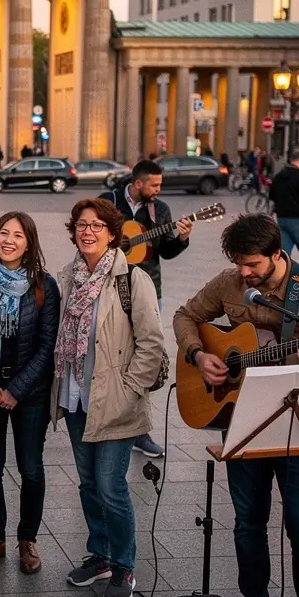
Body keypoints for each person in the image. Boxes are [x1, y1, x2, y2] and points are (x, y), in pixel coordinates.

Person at [173, 214, 299, 597]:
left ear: (278, 255)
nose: (244, 273)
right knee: (248, 521)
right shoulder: (229, 283)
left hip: (294, 422)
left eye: (252, 265)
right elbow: (186, 314)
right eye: (239, 264)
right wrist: (198, 353)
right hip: (241, 419)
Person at [53, 197, 164, 597]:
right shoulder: (68, 277)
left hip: (115, 400)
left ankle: (123, 564)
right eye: (81, 224)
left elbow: (151, 344)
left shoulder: (131, 280)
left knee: (111, 486)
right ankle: (99, 555)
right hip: (76, 395)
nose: (87, 231)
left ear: (113, 233)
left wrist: (129, 388)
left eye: (97, 225)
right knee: (87, 483)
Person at [0, 212, 60, 573]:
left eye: (17, 236)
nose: (8, 240)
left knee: (32, 468)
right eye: (3, 233)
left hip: (30, 393)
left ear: (29, 243)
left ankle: (28, 539)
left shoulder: (43, 286)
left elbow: (47, 345)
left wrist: (15, 391)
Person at [99, 159, 192, 458]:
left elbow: (165, 250)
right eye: (155, 184)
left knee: (145, 359)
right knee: (111, 356)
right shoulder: (109, 201)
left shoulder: (160, 210)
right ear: (138, 183)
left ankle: (140, 430)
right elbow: (93, 238)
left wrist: (182, 238)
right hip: (109, 288)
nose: (159, 189)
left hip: (149, 289)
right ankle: (104, 416)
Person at [269, 148, 299, 259]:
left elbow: (272, 195)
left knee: (283, 253)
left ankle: (281, 275)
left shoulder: (278, 177)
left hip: (281, 218)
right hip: (297, 219)